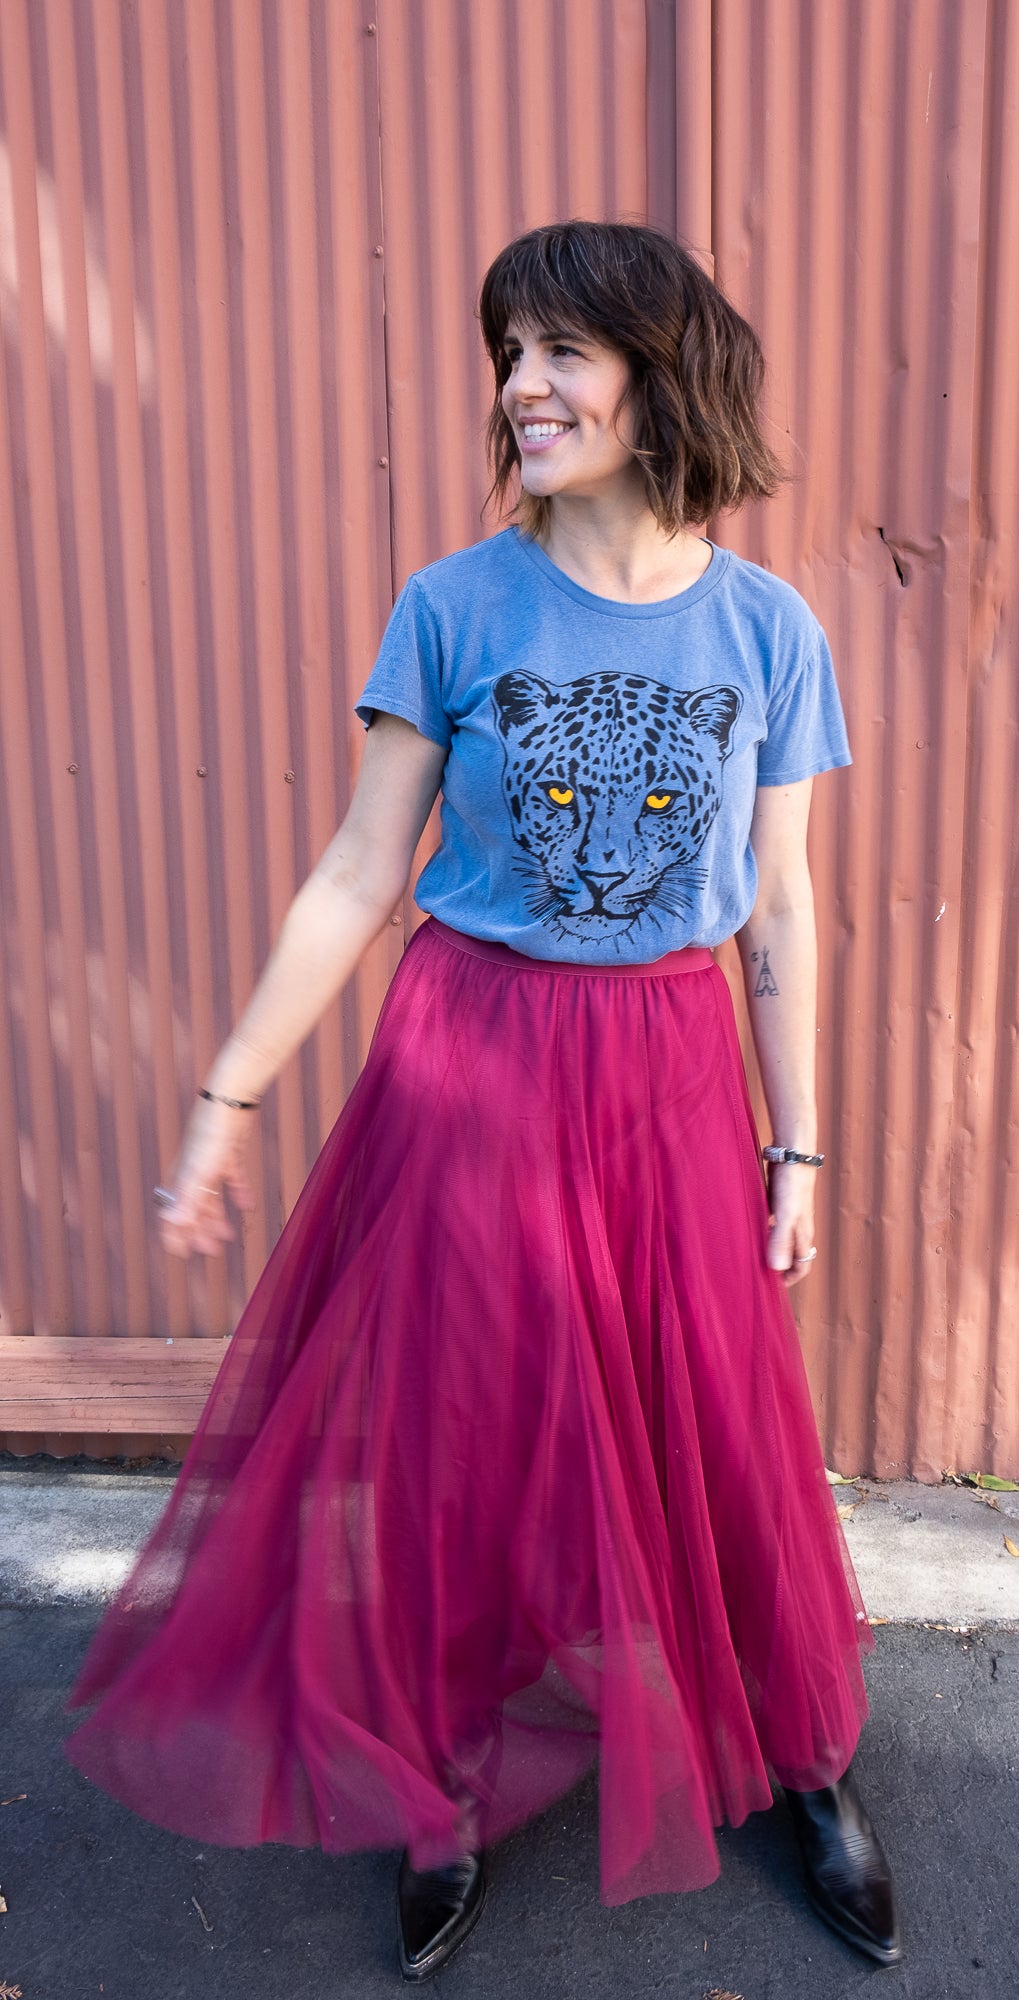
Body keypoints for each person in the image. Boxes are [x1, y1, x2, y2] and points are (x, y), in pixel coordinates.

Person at [63, 220, 900, 1981]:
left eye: (560, 351)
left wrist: (797, 1137)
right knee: (460, 1433)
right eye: (507, 350)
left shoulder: (768, 626)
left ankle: (803, 1757)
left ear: (660, 377)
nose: (519, 384)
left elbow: (783, 912)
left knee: (713, 1421)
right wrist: (226, 1095)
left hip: (670, 1072)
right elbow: (362, 870)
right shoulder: (451, 605)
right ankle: (436, 1783)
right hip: (471, 1061)